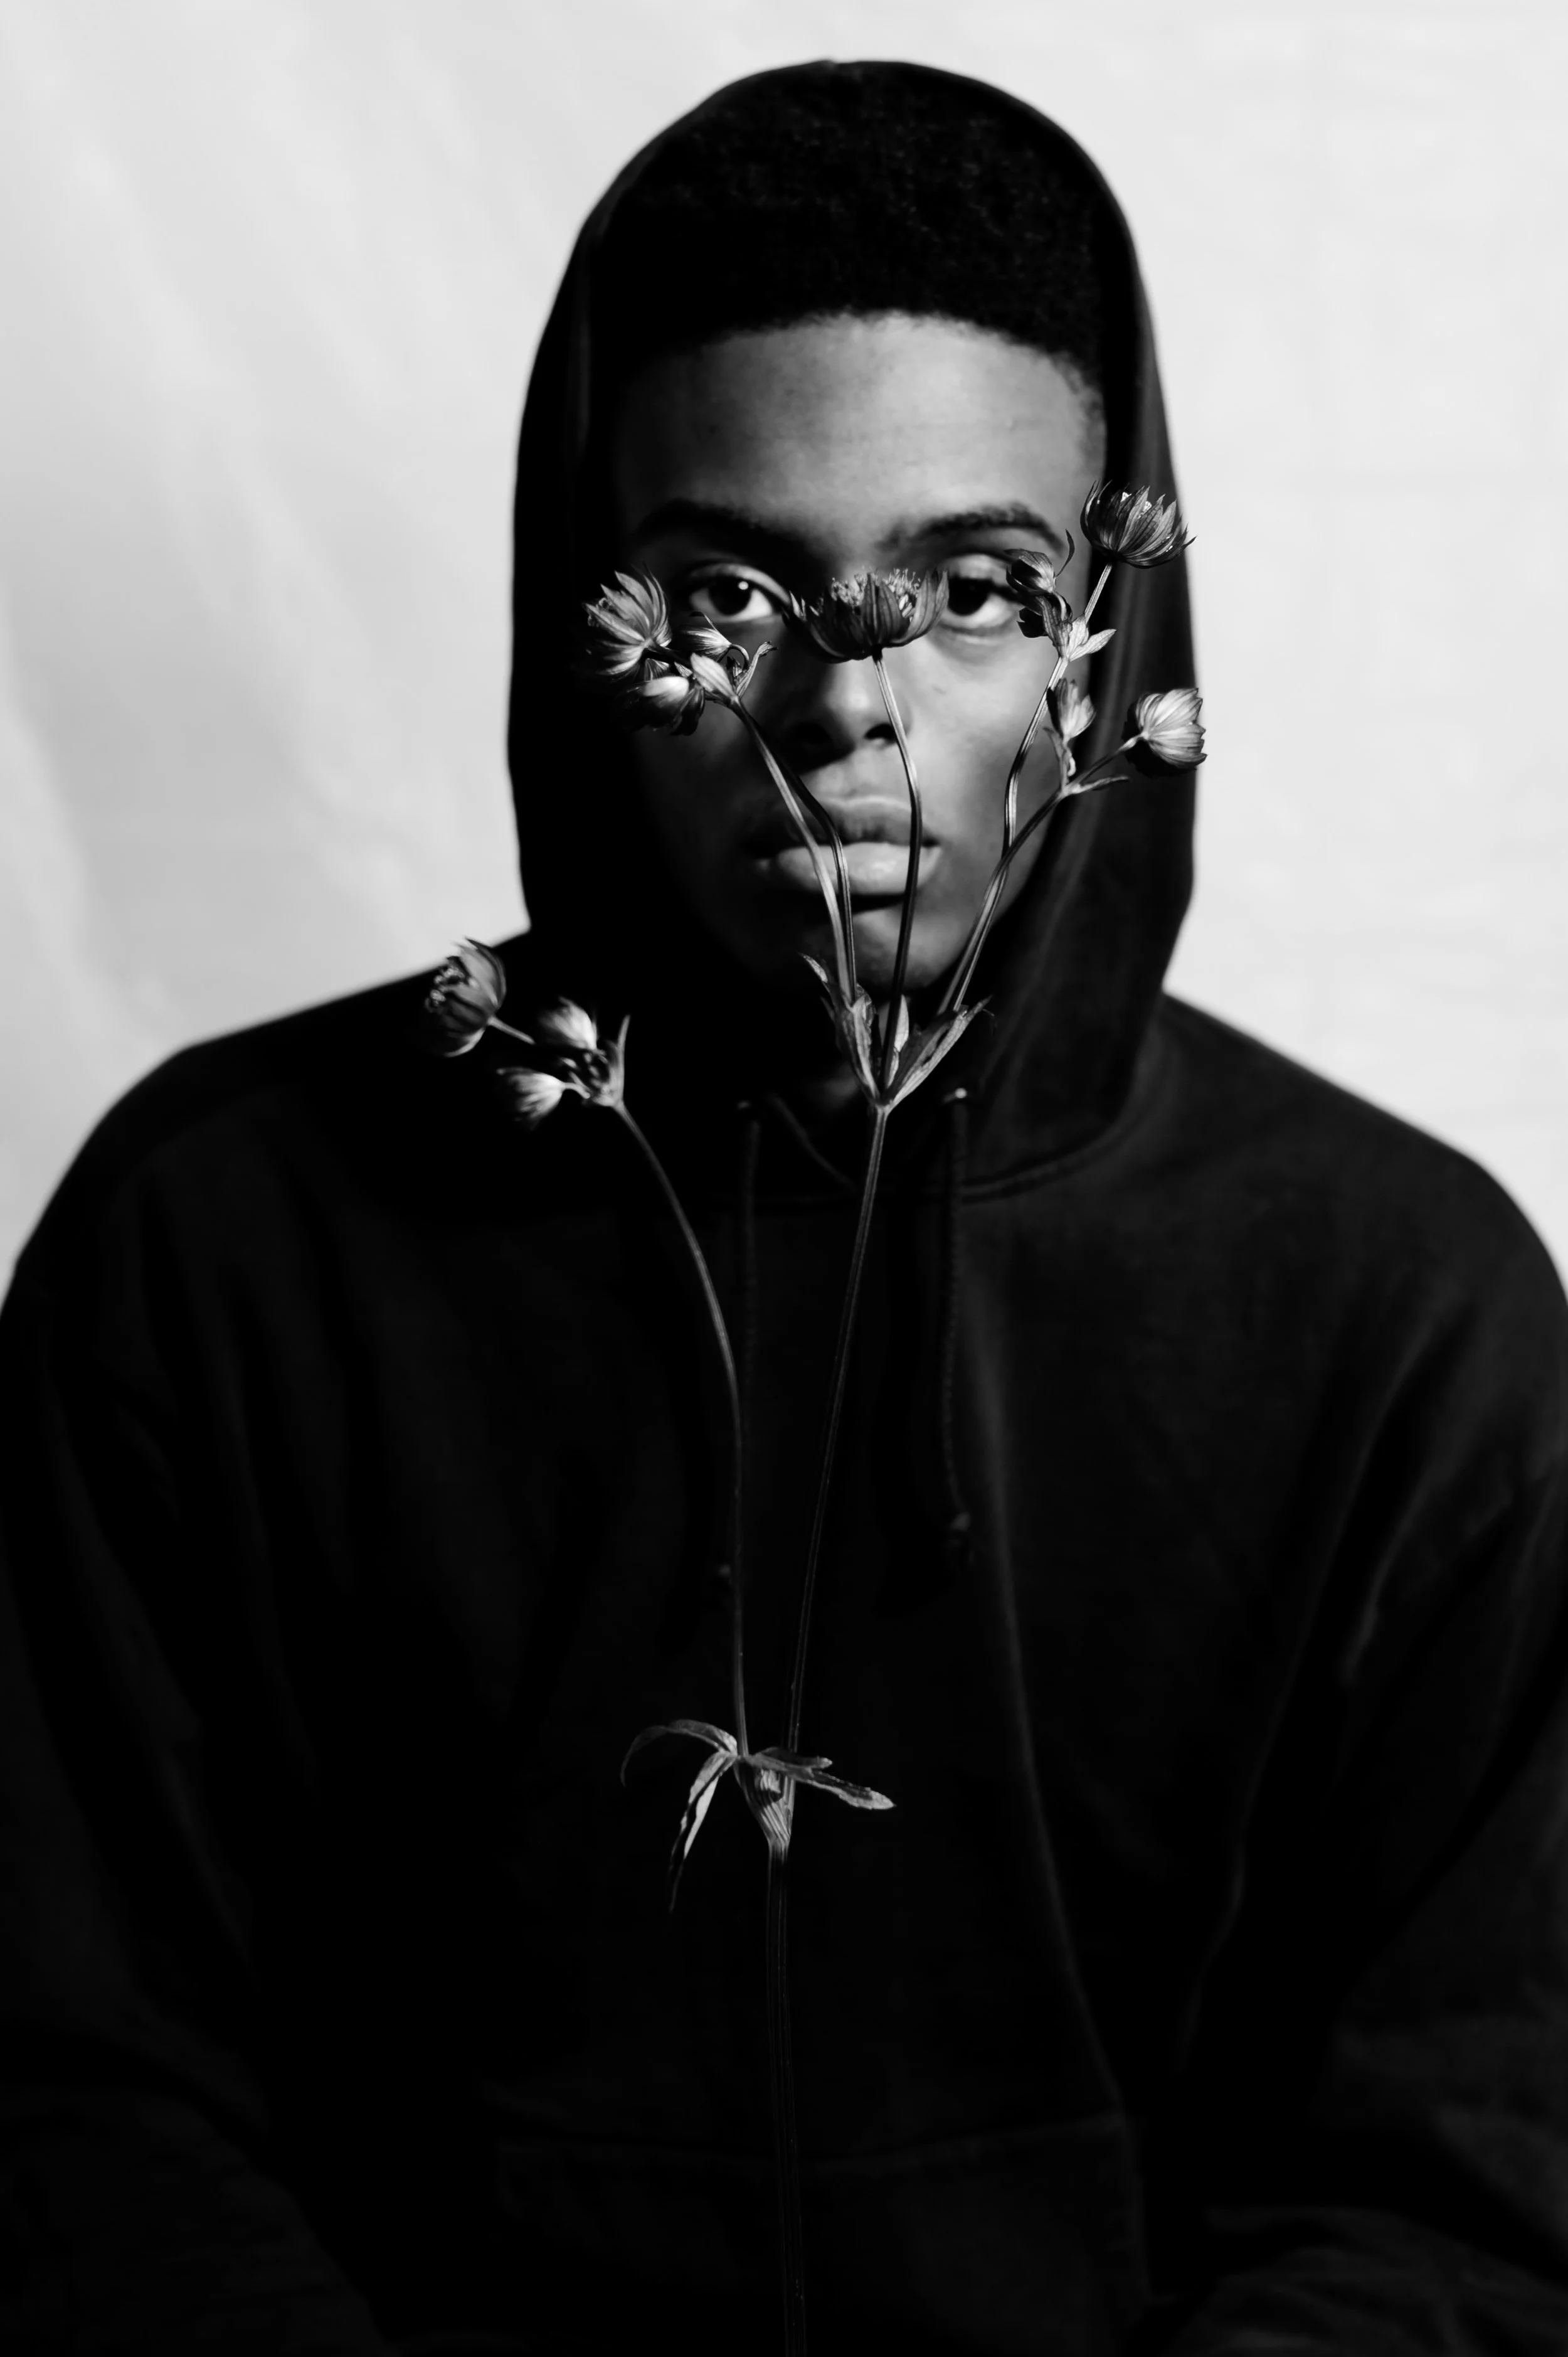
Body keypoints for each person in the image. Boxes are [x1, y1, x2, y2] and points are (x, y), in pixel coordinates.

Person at [3, 57, 1567, 2357]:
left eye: (974, 590)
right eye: (727, 593)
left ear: (1113, 637)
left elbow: (1466, 2194)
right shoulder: (213, 1247)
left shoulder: (1401, 1311)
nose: (849, 707)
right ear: (583, 614)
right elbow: (74, 2103)